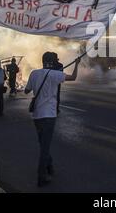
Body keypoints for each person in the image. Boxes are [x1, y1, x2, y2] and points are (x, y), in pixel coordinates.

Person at [24, 52, 80, 187]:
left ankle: (49, 167)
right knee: (45, 147)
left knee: (42, 143)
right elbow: (73, 77)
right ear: (53, 62)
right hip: (49, 115)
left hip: (37, 115)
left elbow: (26, 91)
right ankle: (41, 176)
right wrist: (77, 64)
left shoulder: (34, 73)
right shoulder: (56, 75)